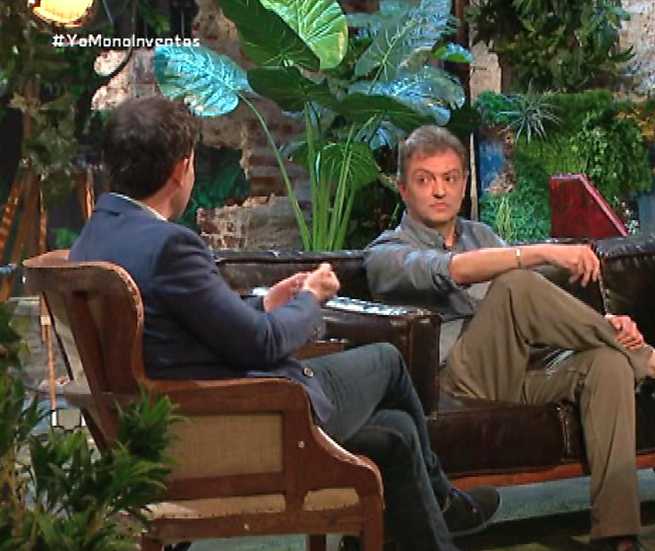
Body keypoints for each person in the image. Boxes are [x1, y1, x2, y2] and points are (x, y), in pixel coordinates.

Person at [69, 97, 498, 551]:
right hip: (239, 421)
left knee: (395, 432)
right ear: (182, 168)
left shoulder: (96, 234)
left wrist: (265, 303)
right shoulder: (170, 246)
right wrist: (311, 298)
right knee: (388, 362)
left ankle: (434, 517)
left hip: (174, 417)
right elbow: (263, 345)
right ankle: (446, 502)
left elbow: (190, 322)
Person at [364, 125, 655, 551]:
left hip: (517, 372)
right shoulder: (386, 252)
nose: (439, 191)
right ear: (403, 188)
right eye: (424, 179)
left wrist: (608, 325)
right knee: (515, 284)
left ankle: (616, 535)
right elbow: (452, 270)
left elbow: (536, 310)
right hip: (454, 382)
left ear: (464, 183)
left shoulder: (481, 235)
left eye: (450, 178)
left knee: (608, 363)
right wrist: (541, 251)